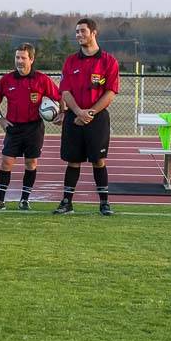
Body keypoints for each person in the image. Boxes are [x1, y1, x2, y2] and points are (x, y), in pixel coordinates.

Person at [54, 18, 120, 215]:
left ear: (94, 33)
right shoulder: (71, 61)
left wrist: (90, 112)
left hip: (97, 118)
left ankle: (104, 203)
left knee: (98, 160)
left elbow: (110, 92)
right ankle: (66, 202)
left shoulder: (109, 61)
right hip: (74, 117)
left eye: (83, 31)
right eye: (76, 32)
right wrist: (78, 112)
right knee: (73, 160)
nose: (79, 35)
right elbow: (65, 91)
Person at [0, 43, 61, 211]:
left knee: (31, 163)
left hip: (34, 128)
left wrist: (61, 113)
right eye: (17, 57)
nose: (19, 61)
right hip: (13, 128)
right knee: (6, 162)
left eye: (23, 58)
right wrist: (0, 119)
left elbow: (60, 97)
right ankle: (0, 200)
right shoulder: (7, 80)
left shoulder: (42, 79)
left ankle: (24, 200)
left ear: (31, 59)